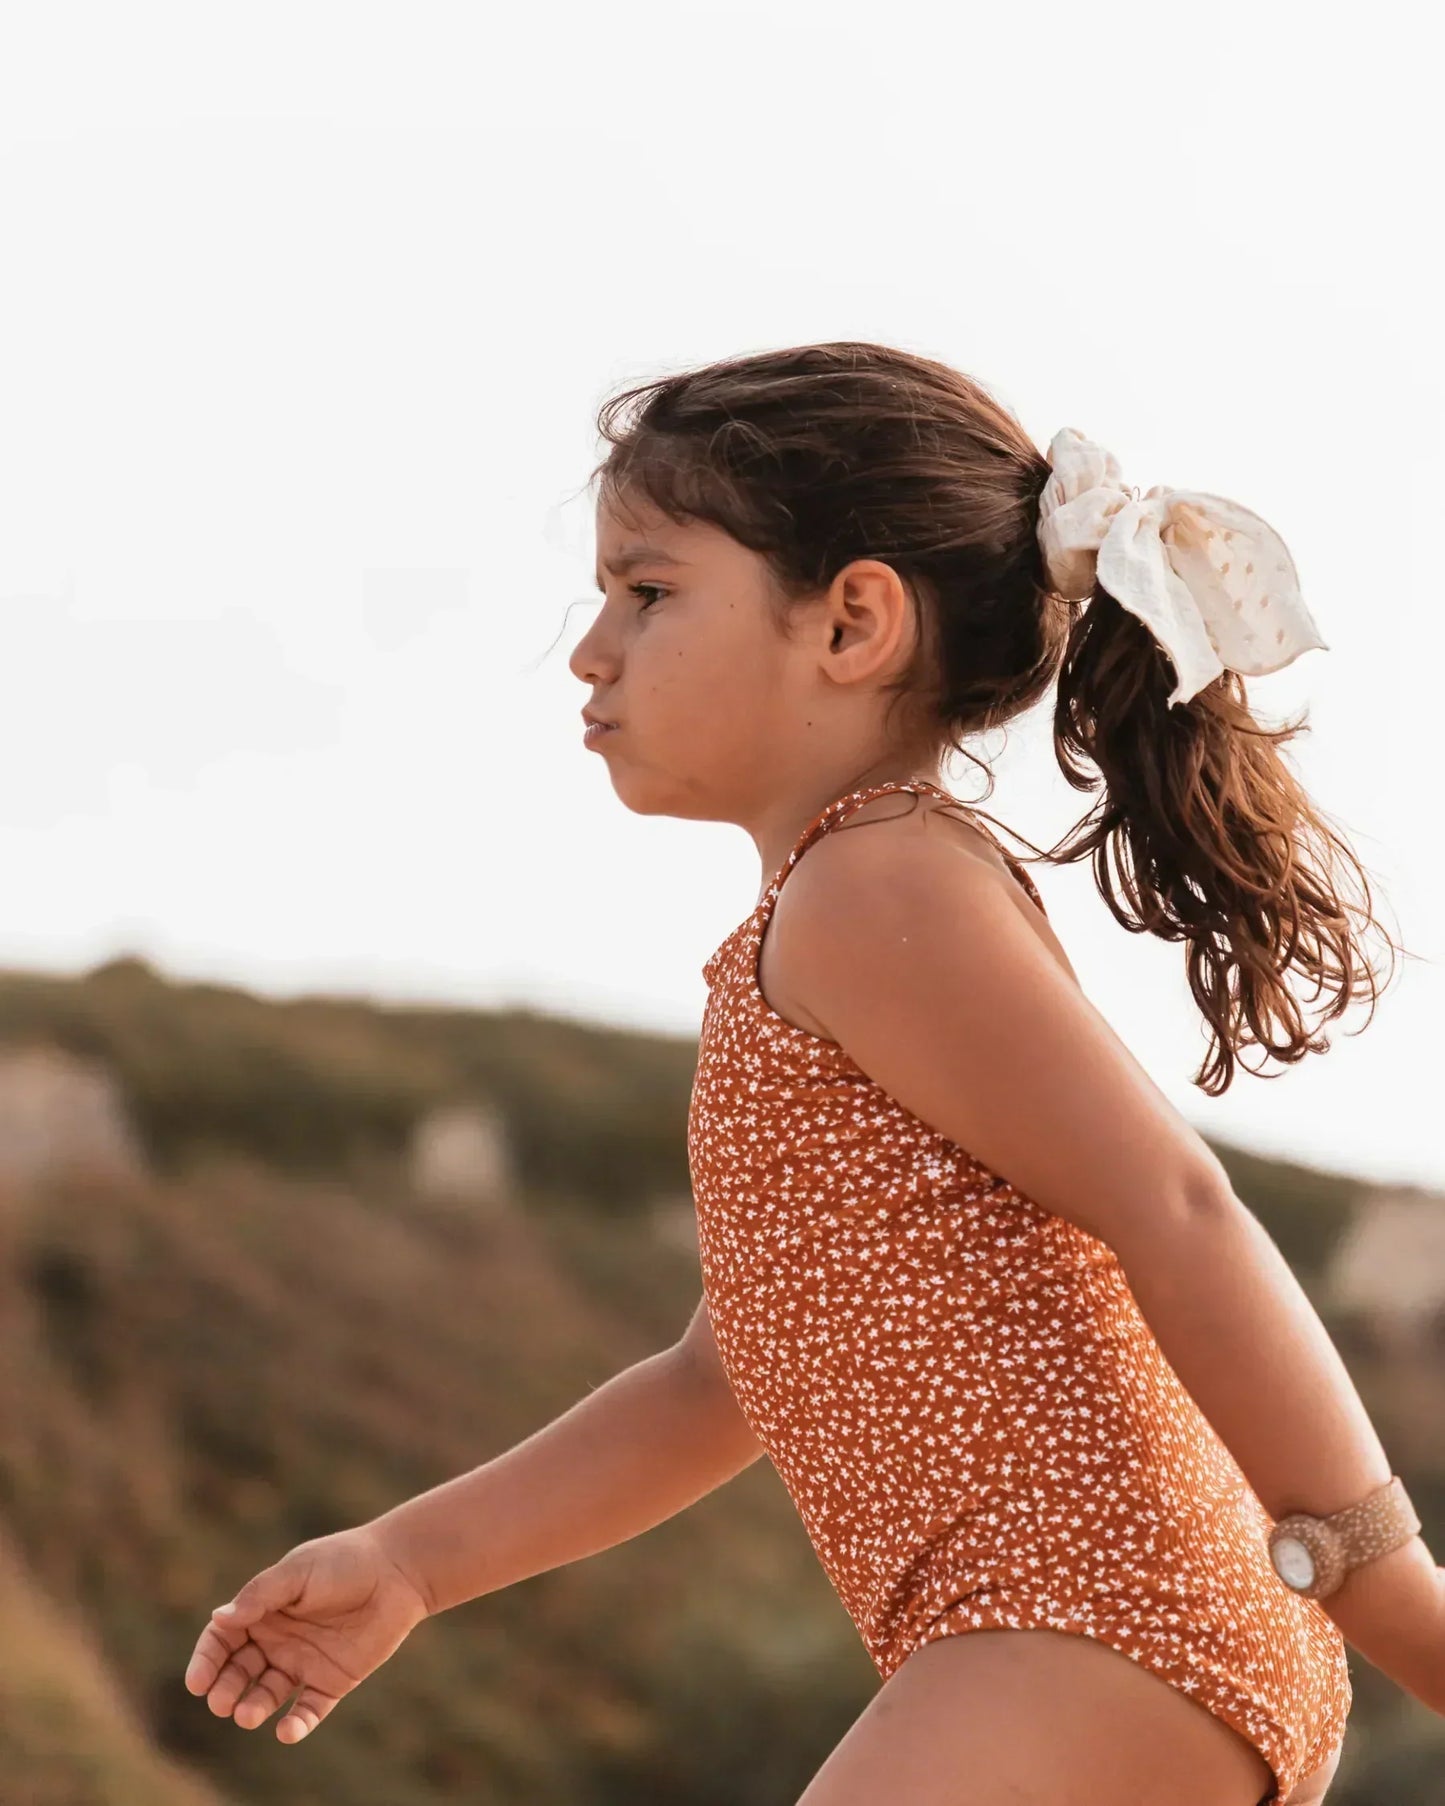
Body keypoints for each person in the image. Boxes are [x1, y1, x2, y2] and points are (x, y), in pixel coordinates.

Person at [184, 342, 1440, 1805]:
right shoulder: (837, 914)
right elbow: (719, 1380)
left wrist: (1382, 1578)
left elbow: (1178, 1207)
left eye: (646, 591)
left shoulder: (871, 889)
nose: (589, 648)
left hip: (1097, 1613)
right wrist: (408, 1559)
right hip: (1091, 1638)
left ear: (850, 622)